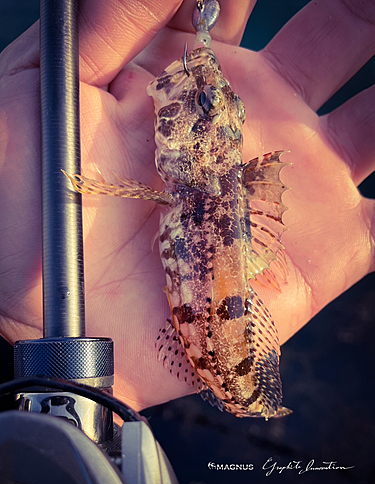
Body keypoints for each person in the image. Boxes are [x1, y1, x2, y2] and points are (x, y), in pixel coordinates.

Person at [0, 0, 374, 412]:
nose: (200, 96)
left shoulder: (196, 191)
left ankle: (252, 397)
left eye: (207, 103)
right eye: (211, 102)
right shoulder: (199, 185)